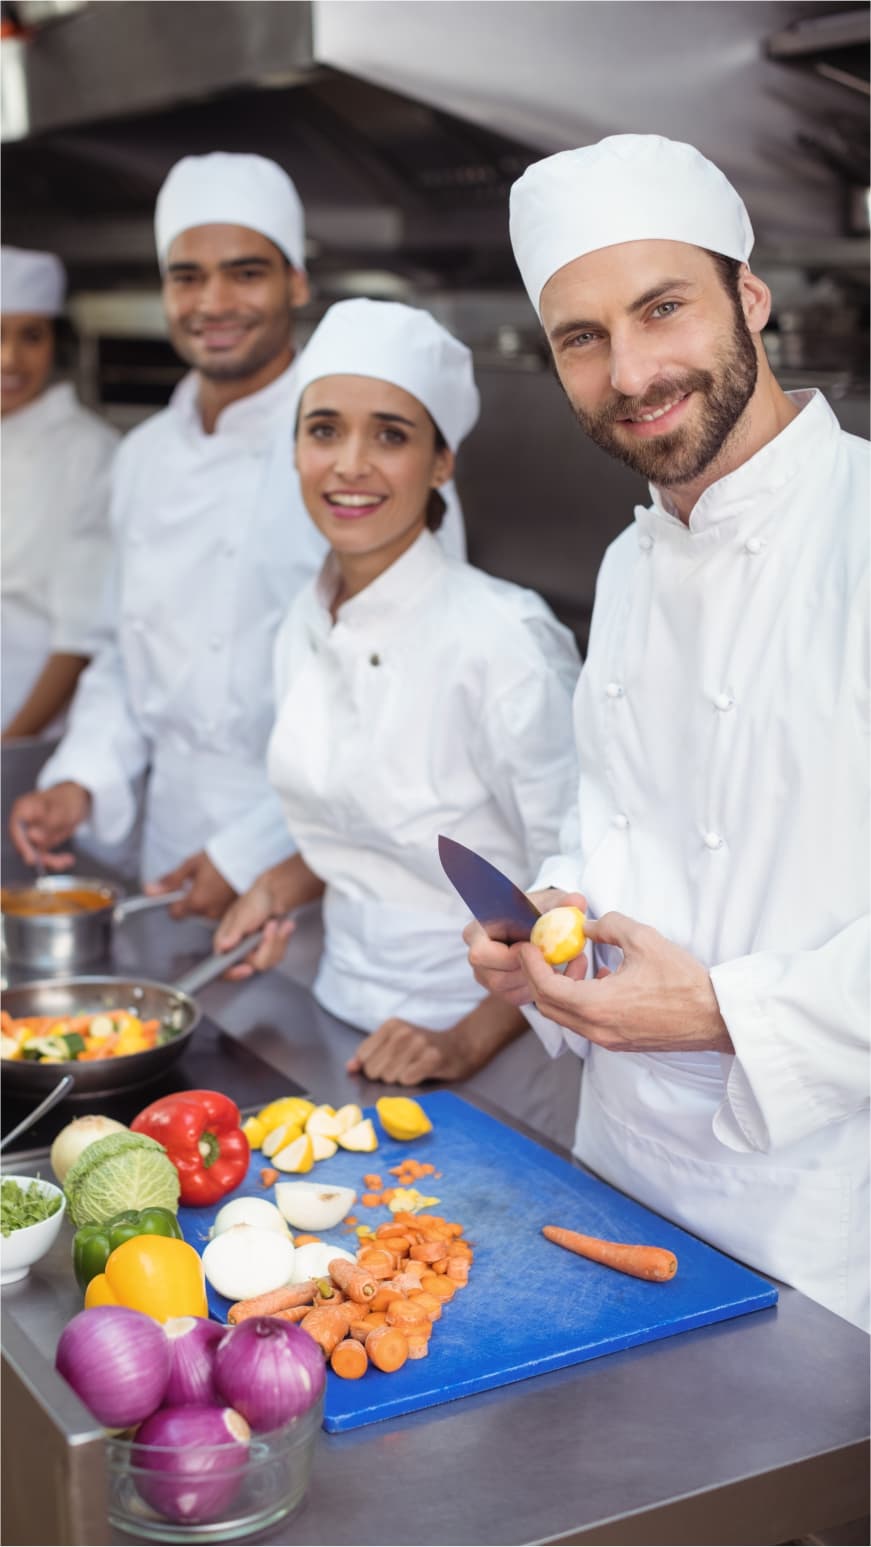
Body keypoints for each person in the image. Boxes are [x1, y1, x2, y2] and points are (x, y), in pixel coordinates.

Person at [461, 135, 868, 1330]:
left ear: (750, 297)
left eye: (661, 308)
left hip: (826, 1224)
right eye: (581, 338)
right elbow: (623, 816)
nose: (630, 372)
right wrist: (554, 914)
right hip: (621, 1179)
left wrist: (720, 1013)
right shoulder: (629, 564)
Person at [8, 153, 467, 903]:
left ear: (296, 283)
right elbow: (122, 651)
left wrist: (249, 853)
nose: (213, 302)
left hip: (322, 857)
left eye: (245, 273)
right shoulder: (142, 457)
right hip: (167, 837)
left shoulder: (361, 453)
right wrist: (80, 779)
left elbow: (412, 693)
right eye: (187, 276)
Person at [213, 298, 580, 1081]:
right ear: (294, 449)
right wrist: (281, 882)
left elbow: (579, 883)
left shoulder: (503, 640)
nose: (349, 463)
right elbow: (378, 822)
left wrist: (462, 1042)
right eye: (323, 430)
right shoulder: (303, 619)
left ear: (441, 462)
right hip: (339, 1013)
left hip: (490, 1048)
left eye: (390, 434)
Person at [1, 246, 118, 740]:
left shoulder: (89, 451)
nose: (10, 358)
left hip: (27, 724)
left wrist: (10, 746)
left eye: (31, 335)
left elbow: (80, 634)